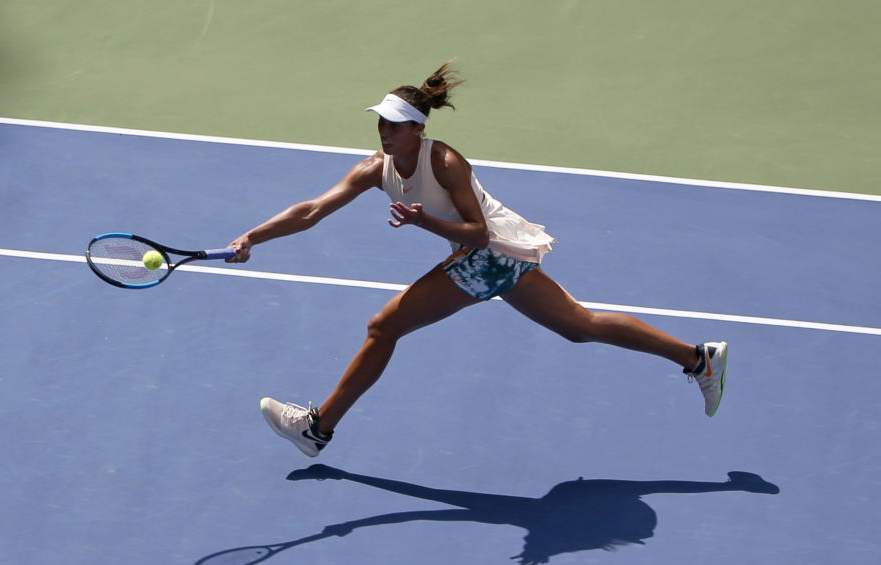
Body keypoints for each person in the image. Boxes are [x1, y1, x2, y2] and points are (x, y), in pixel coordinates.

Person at [228, 61, 727, 458]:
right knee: (579, 324)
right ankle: (697, 358)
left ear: (417, 129)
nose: (385, 131)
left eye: (396, 125)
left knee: (384, 327)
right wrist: (254, 236)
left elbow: (476, 232)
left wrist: (423, 221)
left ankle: (318, 429)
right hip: (495, 256)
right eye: (382, 122)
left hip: (488, 251)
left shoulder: (443, 161)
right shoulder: (373, 170)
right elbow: (313, 210)